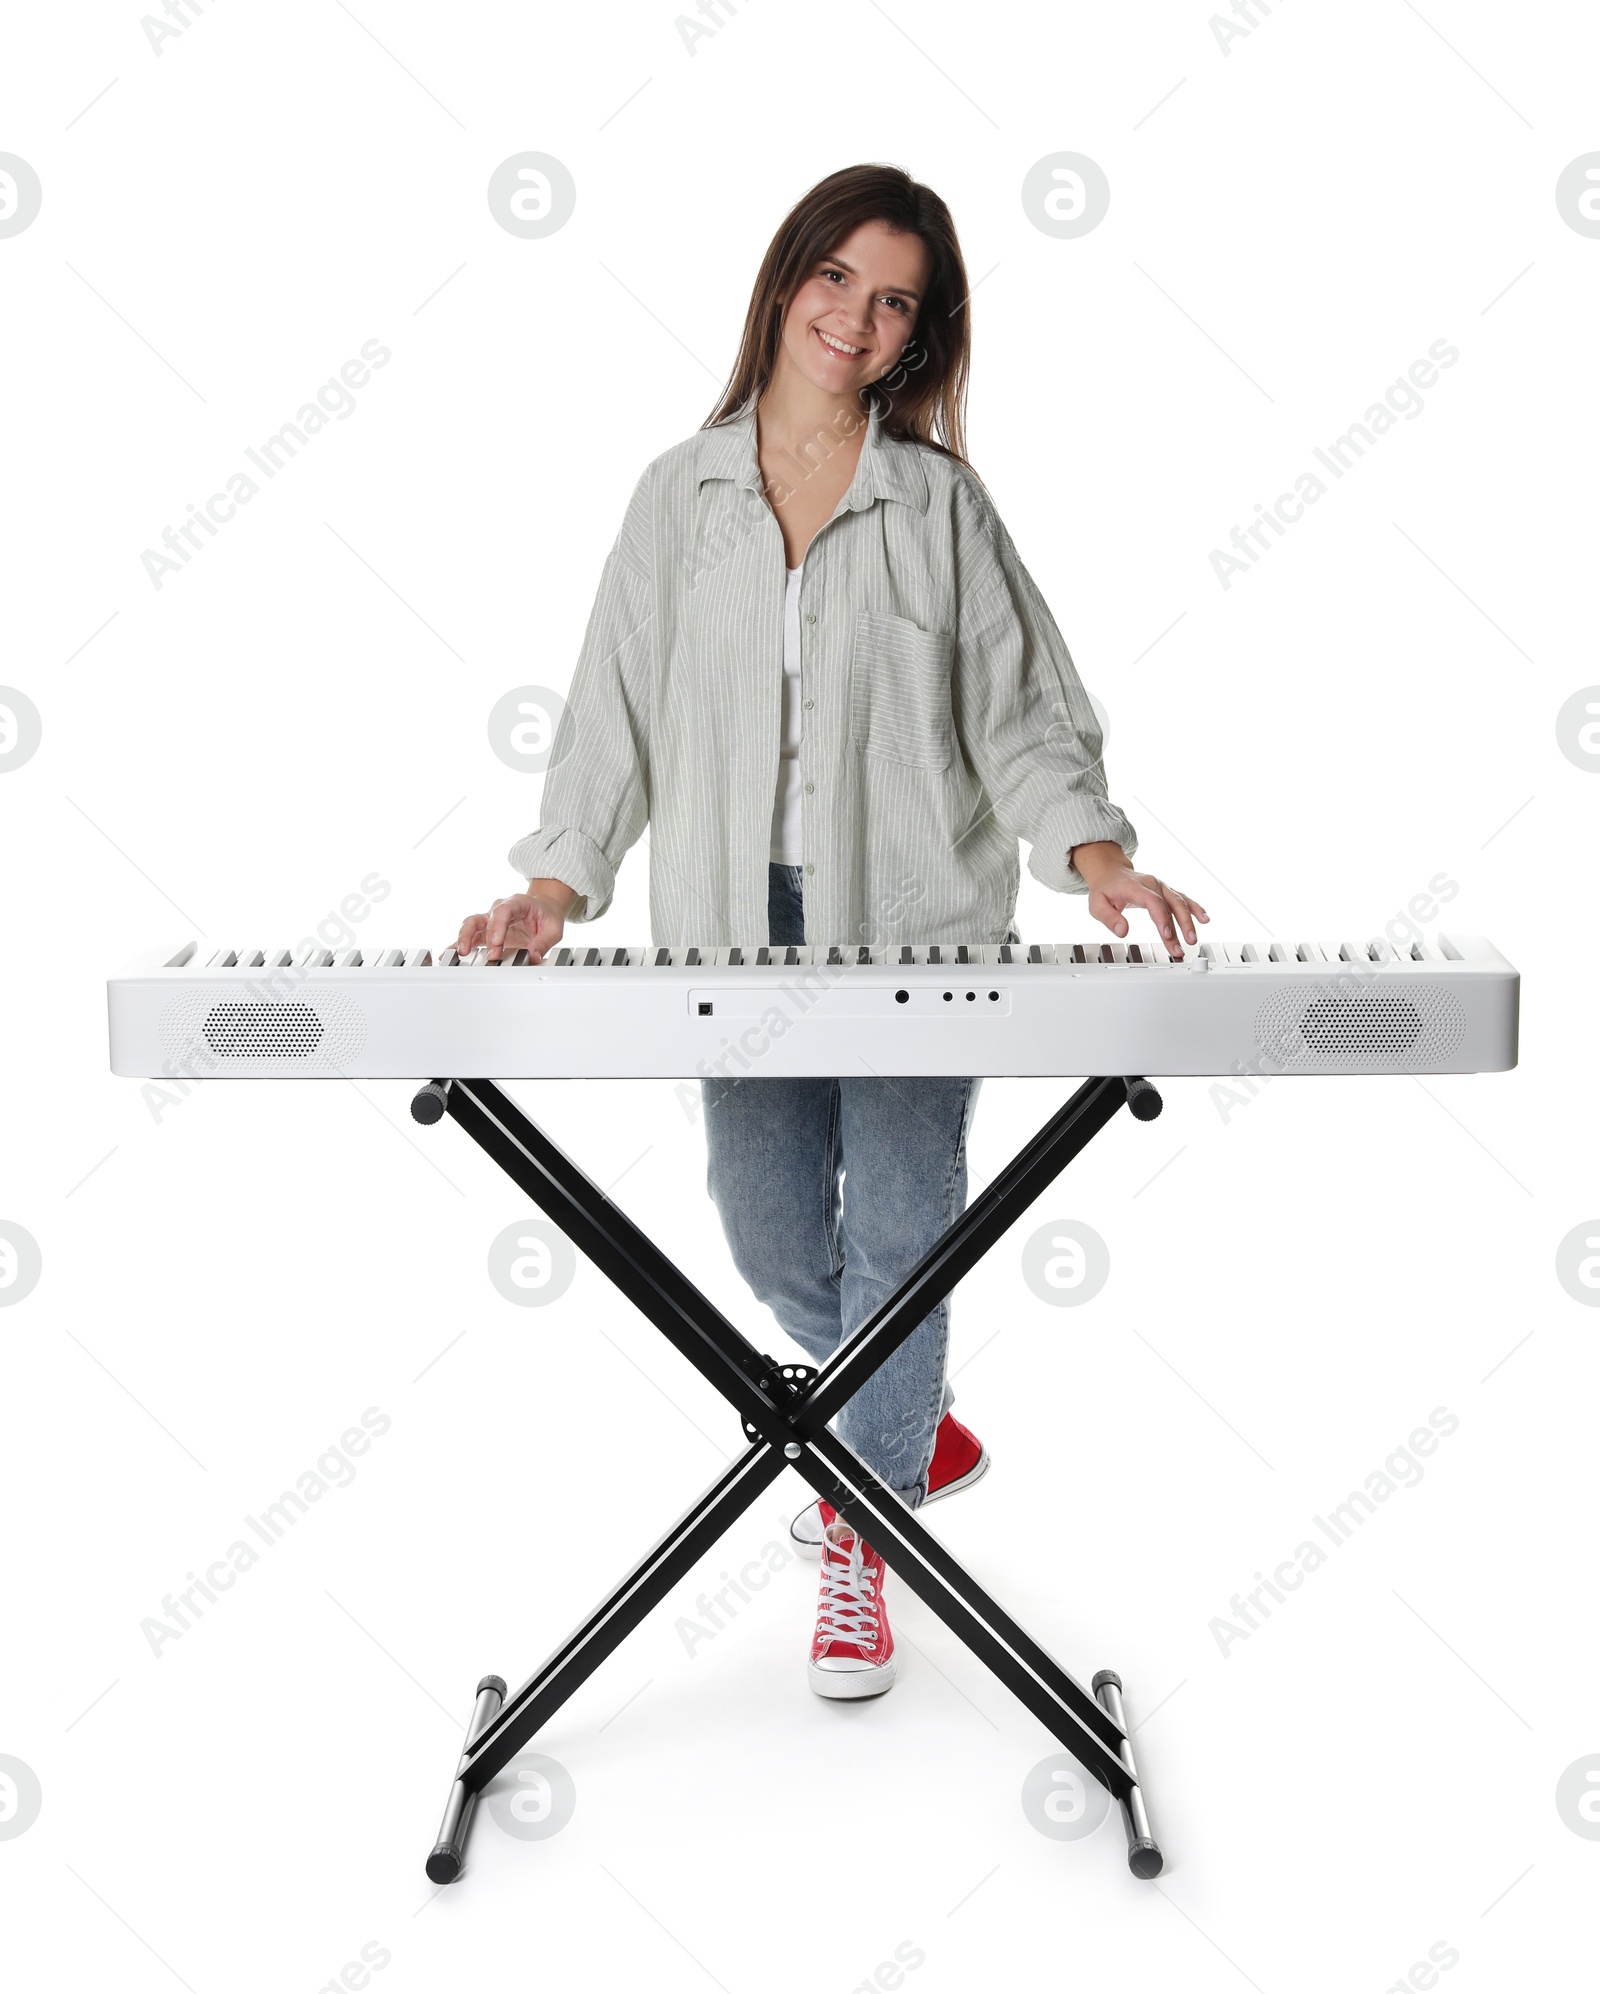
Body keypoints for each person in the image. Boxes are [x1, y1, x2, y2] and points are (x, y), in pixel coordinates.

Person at [458, 163, 1207, 1702]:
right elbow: (612, 720)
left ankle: (862, 1539)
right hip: (732, 933)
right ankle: (902, 1414)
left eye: (896, 302)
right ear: (786, 274)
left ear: (919, 335)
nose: (857, 318)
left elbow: (1021, 713)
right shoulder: (680, 494)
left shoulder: (938, 503)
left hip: (922, 926)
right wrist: (550, 885)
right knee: (768, 1223)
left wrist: (1096, 855)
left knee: (901, 1234)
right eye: (840, 278)